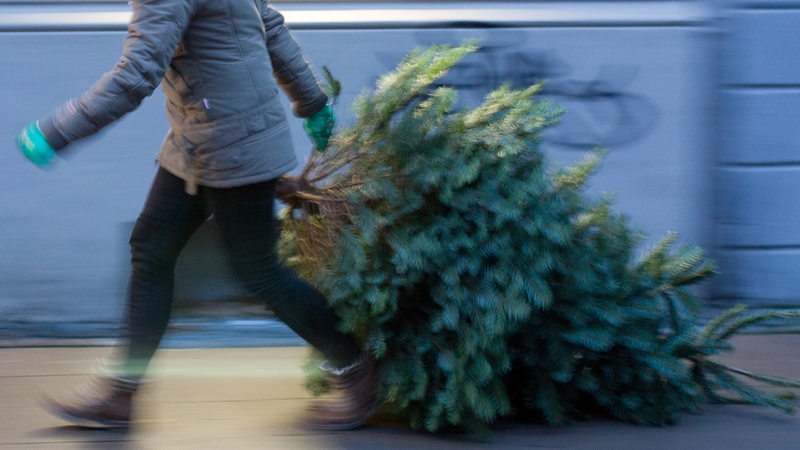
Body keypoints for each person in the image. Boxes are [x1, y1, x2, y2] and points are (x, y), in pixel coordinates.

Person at [16, 0, 380, 431]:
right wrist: (312, 100)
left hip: (230, 142)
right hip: (201, 137)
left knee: (258, 269)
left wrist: (60, 129)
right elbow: (270, 27)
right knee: (152, 248)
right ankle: (121, 394)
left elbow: (138, 74)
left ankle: (358, 369)